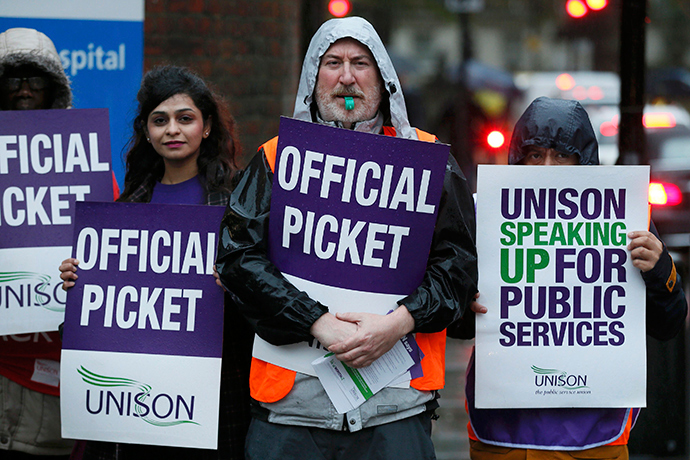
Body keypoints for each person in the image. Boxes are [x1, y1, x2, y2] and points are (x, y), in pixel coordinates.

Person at [215, 16, 478, 460]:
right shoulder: (274, 160)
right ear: (313, 78)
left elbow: (457, 268)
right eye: (332, 62)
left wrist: (397, 324)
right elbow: (239, 259)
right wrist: (317, 322)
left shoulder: (429, 162)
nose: (347, 77)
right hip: (289, 414)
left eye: (361, 63)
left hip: (395, 414)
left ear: (384, 79)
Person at [455, 96, 688, 460]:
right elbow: (454, 322)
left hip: (593, 435)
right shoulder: (483, 214)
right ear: (519, 159)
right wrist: (464, 303)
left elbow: (668, 323)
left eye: (561, 155)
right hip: (501, 433)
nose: (547, 166)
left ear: (584, 161)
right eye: (535, 155)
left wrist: (660, 271)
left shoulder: (623, 219)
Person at [59, 65, 252, 459]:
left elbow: (263, 300)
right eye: (160, 120)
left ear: (208, 127)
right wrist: (79, 284)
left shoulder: (237, 202)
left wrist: (233, 284)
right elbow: (97, 323)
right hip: (138, 406)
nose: (173, 130)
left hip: (212, 400)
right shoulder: (126, 208)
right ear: (147, 131)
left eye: (185, 119)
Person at [0, 27, 76, 459]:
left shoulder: (85, 164)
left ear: (54, 88)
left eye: (36, 79)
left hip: (49, 376)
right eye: (13, 79)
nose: (25, 89)